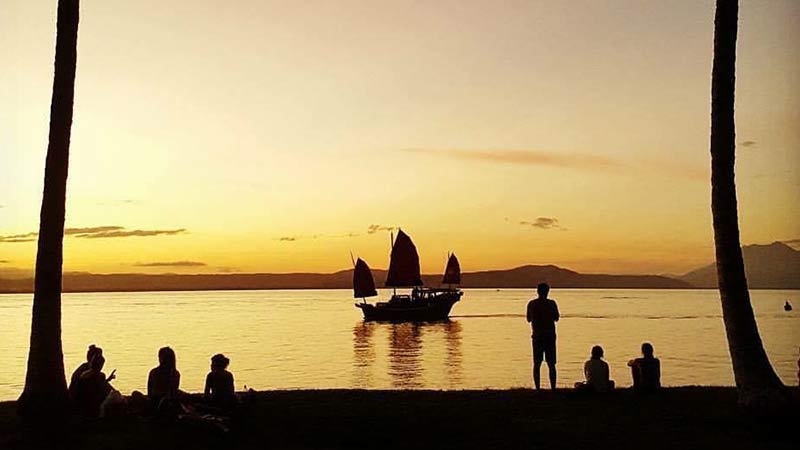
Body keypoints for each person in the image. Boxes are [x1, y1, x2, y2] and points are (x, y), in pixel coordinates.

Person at [526, 282, 560, 390]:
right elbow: (556, 318)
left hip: (537, 336)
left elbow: (528, 319)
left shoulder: (532, 304)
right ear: (547, 292)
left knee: (537, 363)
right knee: (551, 363)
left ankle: (537, 388)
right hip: (549, 336)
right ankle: (553, 388)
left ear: (538, 291)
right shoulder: (552, 303)